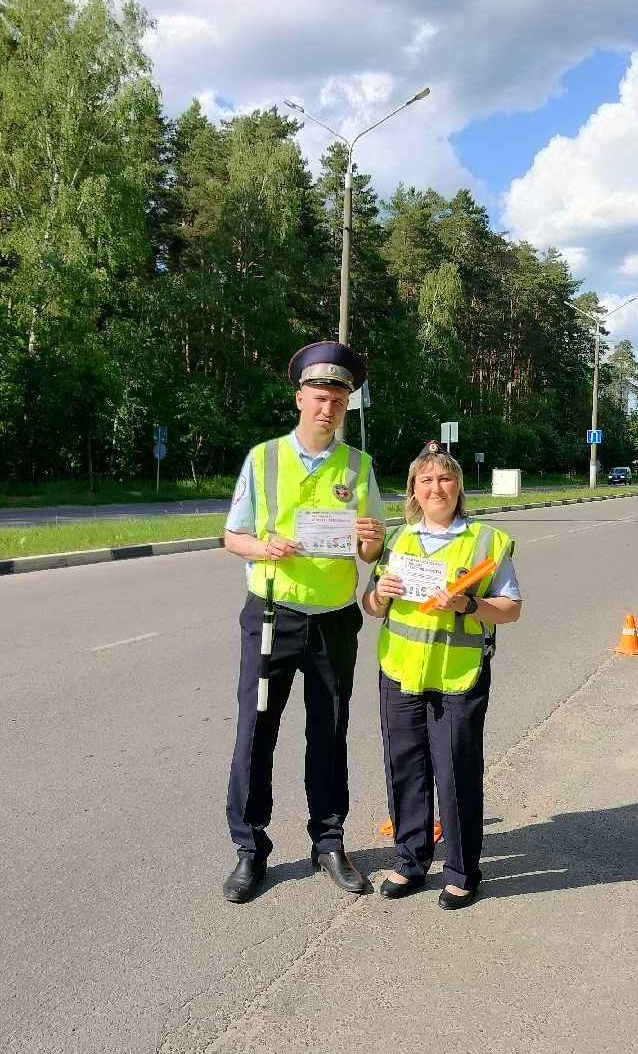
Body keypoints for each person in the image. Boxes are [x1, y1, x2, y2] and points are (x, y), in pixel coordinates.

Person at [220, 341, 388, 904]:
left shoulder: (359, 466)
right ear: (300, 398)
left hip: (334, 621)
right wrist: (263, 547)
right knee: (256, 731)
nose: (328, 408)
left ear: (346, 406)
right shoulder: (264, 458)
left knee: (330, 732)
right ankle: (250, 848)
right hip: (272, 617)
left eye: (338, 400)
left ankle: (329, 841)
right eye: (319, 397)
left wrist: (372, 542)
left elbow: (370, 551)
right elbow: (232, 537)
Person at [361, 440, 522, 910]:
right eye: (426, 480)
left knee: (456, 774)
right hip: (400, 672)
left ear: (459, 487)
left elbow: (511, 609)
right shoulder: (398, 540)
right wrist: (381, 594)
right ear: (414, 489)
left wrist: (468, 604)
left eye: (445, 478)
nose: (436, 487)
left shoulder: (486, 541)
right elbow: (371, 606)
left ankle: (462, 871)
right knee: (405, 769)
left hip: (457, 676)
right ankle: (411, 861)